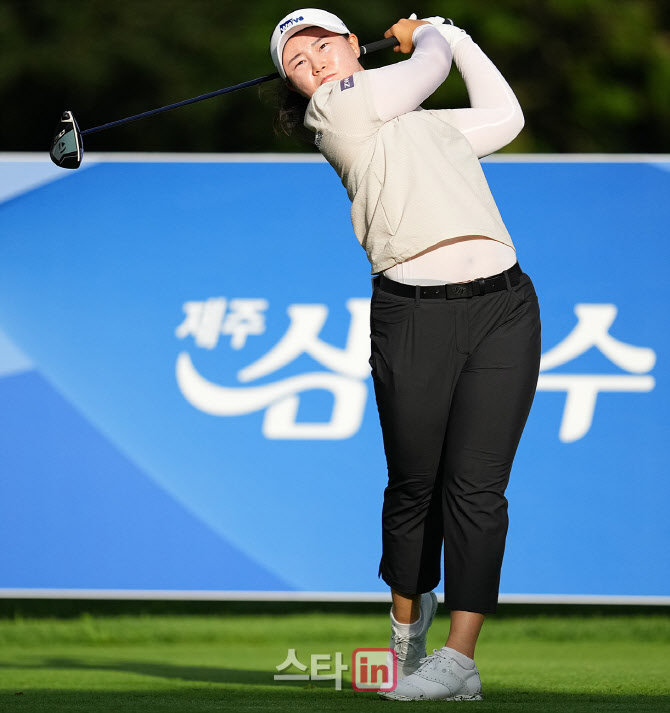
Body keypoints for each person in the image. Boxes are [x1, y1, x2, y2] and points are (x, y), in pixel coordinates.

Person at [269, 8, 541, 702]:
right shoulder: (334, 111)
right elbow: (428, 69)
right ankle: (406, 632)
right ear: (297, 88)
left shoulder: (429, 128)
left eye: (322, 45)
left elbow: (505, 117)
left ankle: (459, 659)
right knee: (416, 484)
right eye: (298, 62)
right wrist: (429, 36)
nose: (315, 62)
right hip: (413, 315)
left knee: (478, 490)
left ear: (351, 45)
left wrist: (457, 34)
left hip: (505, 307)